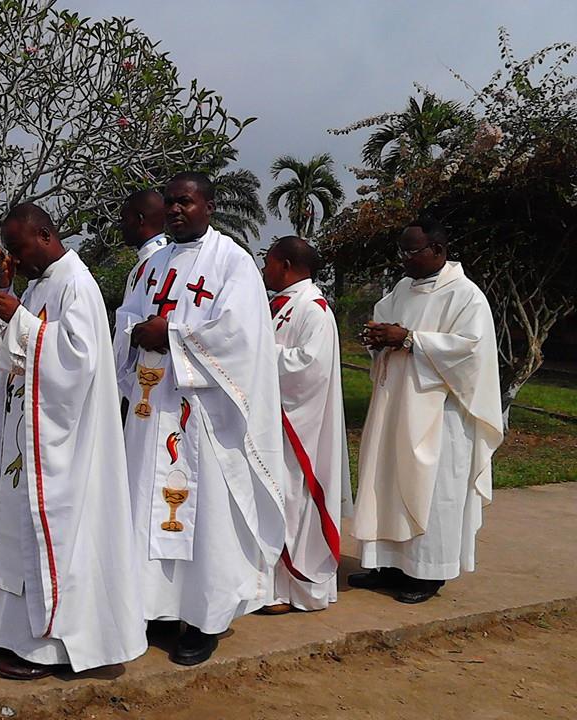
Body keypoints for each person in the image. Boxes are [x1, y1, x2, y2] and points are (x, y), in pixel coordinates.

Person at [114, 172, 286, 666]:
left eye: (185, 202)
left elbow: (239, 335)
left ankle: (204, 618)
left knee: (205, 511)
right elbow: (127, 317)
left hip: (205, 412)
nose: (175, 209)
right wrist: (137, 331)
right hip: (152, 407)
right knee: (145, 501)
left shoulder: (232, 261)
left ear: (208, 206)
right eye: (170, 202)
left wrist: (170, 333)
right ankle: (156, 608)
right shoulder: (152, 264)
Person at [0, 202, 147, 680]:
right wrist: (6, 293)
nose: (15, 257)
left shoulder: (77, 283)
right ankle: (12, 633)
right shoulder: (38, 284)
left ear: (45, 236)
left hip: (64, 444)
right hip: (29, 435)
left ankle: (47, 650)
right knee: (17, 532)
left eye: (18, 248)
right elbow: (5, 343)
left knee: (53, 536)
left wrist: (22, 321)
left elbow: (78, 362)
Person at [350, 217, 503, 604]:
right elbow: (384, 324)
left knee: (434, 492)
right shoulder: (402, 289)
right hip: (393, 406)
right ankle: (387, 564)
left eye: (412, 251)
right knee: (387, 482)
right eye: (401, 251)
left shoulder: (465, 296)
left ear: (438, 250)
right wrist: (377, 337)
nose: (404, 259)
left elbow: (471, 350)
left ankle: (428, 573)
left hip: (440, 414)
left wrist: (410, 339)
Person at [260, 236, 351, 613]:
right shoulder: (278, 305)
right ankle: (268, 585)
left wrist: (257, 354)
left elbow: (310, 367)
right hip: (271, 422)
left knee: (294, 501)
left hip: (299, 427)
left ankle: (294, 589)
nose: (263, 269)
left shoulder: (314, 309)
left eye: (267, 262)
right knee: (271, 499)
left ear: (284, 265)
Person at [115, 189, 169, 418]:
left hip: (154, 376)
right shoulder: (144, 264)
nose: (120, 226)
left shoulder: (161, 262)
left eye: (123, 219)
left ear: (139, 220)